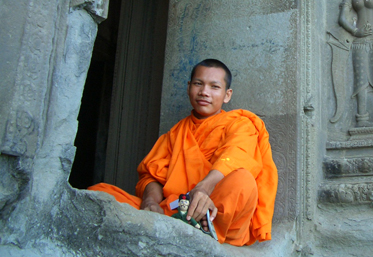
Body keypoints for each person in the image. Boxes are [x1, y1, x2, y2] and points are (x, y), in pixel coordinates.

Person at [89, 59, 278, 246]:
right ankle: (178, 223)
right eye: (198, 84)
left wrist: (203, 189)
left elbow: (237, 155)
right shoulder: (176, 133)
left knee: (243, 181)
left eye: (214, 87)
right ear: (189, 87)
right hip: (174, 208)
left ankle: (206, 229)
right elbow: (152, 175)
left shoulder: (240, 124)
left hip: (216, 213)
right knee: (98, 192)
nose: (204, 92)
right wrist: (150, 202)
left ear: (227, 95)